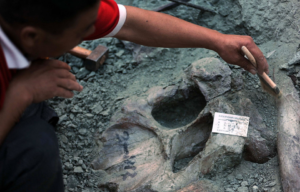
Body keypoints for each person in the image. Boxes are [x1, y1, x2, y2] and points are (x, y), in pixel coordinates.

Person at [0, 0, 269, 191]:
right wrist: (20, 95)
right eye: (84, 32)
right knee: (34, 149)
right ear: (31, 36)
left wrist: (217, 40)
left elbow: (131, 24)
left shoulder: (55, 7)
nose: (91, 33)